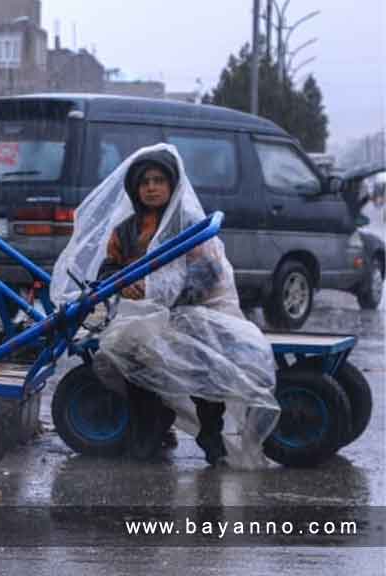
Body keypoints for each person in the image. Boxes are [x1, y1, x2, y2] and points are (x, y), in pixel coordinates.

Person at [51, 144, 280, 470]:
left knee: (205, 365)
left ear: (172, 185)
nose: (152, 187)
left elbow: (208, 274)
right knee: (129, 356)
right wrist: (123, 285)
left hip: (191, 312)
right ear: (135, 189)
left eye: (159, 180)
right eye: (145, 182)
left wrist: (164, 295)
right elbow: (109, 268)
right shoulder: (127, 230)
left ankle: (211, 437)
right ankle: (151, 427)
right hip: (142, 316)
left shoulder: (189, 225)